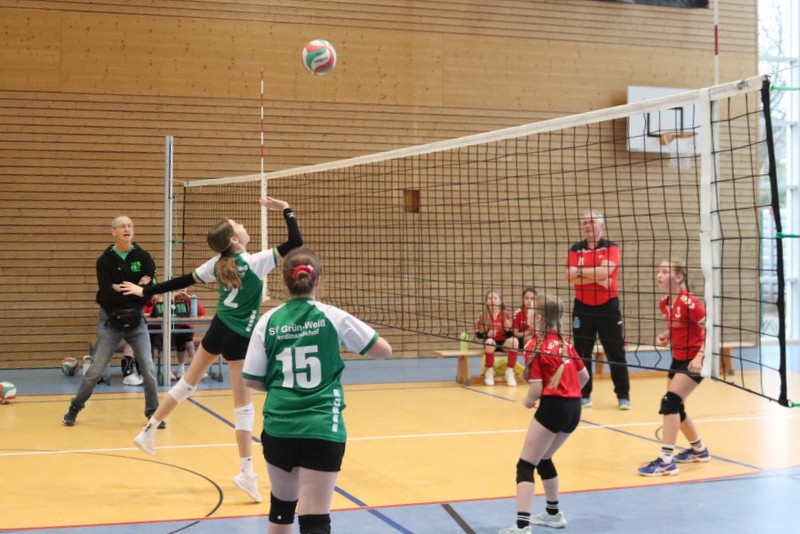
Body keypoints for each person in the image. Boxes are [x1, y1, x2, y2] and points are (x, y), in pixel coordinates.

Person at [121, 196, 302, 504]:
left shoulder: (216, 264)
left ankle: (149, 430)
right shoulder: (255, 262)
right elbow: (296, 242)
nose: (243, 225)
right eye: (238, 225)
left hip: (218, 328)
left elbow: (180, 280)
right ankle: (246, 473)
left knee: (187, 383)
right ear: (234, 240)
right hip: (238, 337)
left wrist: (146, 290)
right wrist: (285, 209)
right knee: (243, 408)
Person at [242, 247, 392, 534]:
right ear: (318, 281)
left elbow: (252, 379)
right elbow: (384, 350)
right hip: (322, 426)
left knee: (281, 511)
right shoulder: (333, 316)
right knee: (315, 520)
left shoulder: (268, 321)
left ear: (284, 281)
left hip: (280, 426)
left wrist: (283, 384)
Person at [499, 294, 590, 534]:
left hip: (553, 408)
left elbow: (536, 389)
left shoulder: (533, 345)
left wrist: (528, 401)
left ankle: (522, 526)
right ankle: (553, 514)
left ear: (539, 317)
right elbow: (584, 377)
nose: (527, 313)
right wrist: (567, 393)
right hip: (574, 409)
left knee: (525, 465)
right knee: (544, 458)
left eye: (530, 310)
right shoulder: (565, 343)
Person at [62, 215, 161, 427]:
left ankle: (153, 414)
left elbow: (148, 293)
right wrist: (136, 286)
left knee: (148, 369)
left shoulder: (144, 257)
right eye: (122, 226)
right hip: (110, 321)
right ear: (113, 231)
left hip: (136, 320)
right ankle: (75, 407)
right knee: (96, 370)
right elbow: (106, 295)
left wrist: (123, 288)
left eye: (130, 225)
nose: (127, 229)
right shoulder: (104, 260)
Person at [638, 260, 709, 476]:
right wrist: (667, 335)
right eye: (658, 271)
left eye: (665, 271)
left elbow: (712, 330)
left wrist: (700, 356)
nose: (659, 275)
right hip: (678, 358)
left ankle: (666, 461)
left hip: (695, 359)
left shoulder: (690, 302)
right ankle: (699, 450)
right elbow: (681, 327)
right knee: (677, 406)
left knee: (670, 402)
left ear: (678, 278)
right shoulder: (665, 302)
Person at [564, 210, 631, 409]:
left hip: (607, 307)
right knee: (582, 353)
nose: (587, 225)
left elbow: (605, 272)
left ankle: (623, 396)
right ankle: (584, 395)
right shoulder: (576, 248)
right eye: (585, 222)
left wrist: (580, 273)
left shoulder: (611, 247)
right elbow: (569, 276)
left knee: (615, 352)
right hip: (582, 307)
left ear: (602, 225)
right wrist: (598, 278)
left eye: (592, 222)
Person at [144, 291, 206, 380]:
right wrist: (164, 302)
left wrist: (191, 299)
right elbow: (149, 315)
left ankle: (187, 367)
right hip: (161, 334)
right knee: (170, 336)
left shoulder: (187, 298)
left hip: (180, 332)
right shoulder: (160, 300)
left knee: (186, 335)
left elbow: (201, 312)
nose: (183, 289)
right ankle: (168, 369)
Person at [475, 290, 520, 386]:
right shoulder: (483, 315)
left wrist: (507, 330)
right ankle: (489, 372)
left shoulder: (506, 314)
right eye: (490, 298)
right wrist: (487, 334)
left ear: (500, 301)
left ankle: (509, 372)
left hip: (503, 343)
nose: (492, 300)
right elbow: (478, 335)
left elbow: (511, 334)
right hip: (490, 344)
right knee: (490, 342)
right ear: (486, 301)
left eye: (495, 298)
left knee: (514, 341)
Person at [512, 286, 538, 366]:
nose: (529, 301)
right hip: (521, 340)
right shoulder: (518, 313)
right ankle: (529, 364)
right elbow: (515, 333)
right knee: (528, 339)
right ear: (523, 299)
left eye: (532, 299)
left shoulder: (539, 313)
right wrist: (527, 332)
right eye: (526, 298)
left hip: (536, 339)